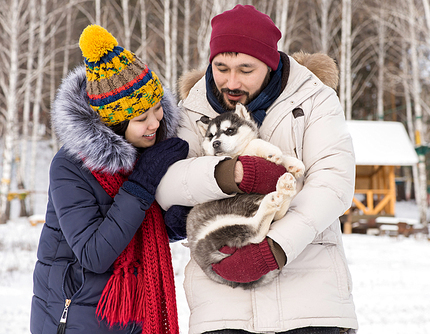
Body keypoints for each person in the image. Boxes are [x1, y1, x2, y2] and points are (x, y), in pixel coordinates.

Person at [155, 4, 358, 334]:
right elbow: (166, 182)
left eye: (245, 69)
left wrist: (275, 248)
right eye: (221, 68)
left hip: (310, 299)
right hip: (222, 300)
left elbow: (333, 183)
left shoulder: (315, 100)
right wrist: (230, 174)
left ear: (270, 63)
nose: (231, 81)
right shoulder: (193, 109)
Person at [30, 25, 189, 334]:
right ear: (113, 123)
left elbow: (138, 231)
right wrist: (141, 186)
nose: (155, 123)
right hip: (75, 318)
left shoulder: (146, 152)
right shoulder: (70, 165)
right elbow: (94, 254)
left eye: (157, 110)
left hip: (134, 317)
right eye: (141, 118)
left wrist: (173, 222)